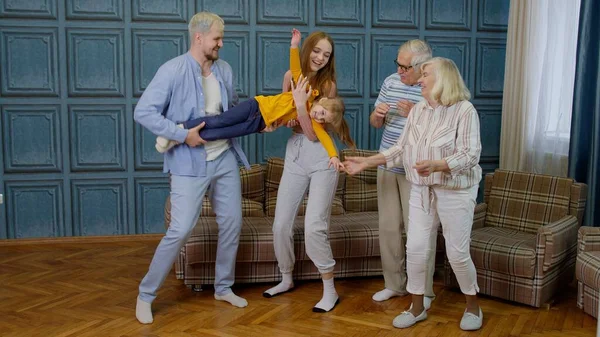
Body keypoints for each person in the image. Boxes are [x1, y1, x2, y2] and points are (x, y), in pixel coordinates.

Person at [344, 57, 483, 331]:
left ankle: (473, 307)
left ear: (442, 78)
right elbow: (400, 149)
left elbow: (471, 154)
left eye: (425, 74)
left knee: (456, 253)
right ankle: (417, 307)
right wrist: (366, 162)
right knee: (416, 248)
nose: (419, 79)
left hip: (455, 191)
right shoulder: (419, 110)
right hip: (421, 190)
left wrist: (440, 165)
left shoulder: (464, 110)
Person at [133, 11, 249, 324]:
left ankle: (223, 287)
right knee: (180, 229)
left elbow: (232, 109)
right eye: (216, 38)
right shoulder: (171, 70)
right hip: (188, 162)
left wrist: (258, 121)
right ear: (198, 38)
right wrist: (183, 134)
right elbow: (143, 112)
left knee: (232, 224)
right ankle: (146, 295)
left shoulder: (223, 69)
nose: (221, 44)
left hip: (224, 158)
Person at [155, 29, 346, 170]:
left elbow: (320, 135)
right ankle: (178, 130)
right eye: (317, 51)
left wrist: (334, 155)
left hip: (262, 122)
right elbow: (295, 70)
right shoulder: (300, 82)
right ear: (319, 101)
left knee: (224, 132)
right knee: (219, 120)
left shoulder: (320, 109)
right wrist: (294, 46)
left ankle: (179, 139)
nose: (319, 115)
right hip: (258, 105)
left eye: (326, 55)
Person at [262, 31, 354, 313]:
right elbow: (288, 112)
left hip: (321, 158)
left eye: (326, 55)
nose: (320, 58)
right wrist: (279, 121)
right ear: (308, 49)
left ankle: (330, 290)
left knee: (315, 226)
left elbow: (314, 133)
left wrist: (301, 108)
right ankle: (286, 278)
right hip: (295, 155)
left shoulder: (328, 86)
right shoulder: (291, 75)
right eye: (317, 51)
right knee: (280, 225)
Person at [369, 40, 437, 307]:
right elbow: (375, 124)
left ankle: (425, 291)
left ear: (421, 68)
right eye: (397, 64)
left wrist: (414, 116)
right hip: (387, 164)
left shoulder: (435, 87)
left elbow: (438, 134)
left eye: (405, 67)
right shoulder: (390, 82)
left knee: (419, 232)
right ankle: (394, 285)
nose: (399, 71)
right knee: (388, 228)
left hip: (416, 171)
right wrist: (377, 114)